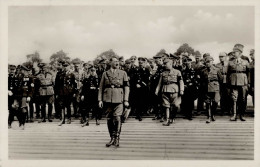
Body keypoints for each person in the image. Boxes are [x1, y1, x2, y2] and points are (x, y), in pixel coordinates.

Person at [98, 56, 130, 147]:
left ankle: (117, 138)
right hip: (107, 99)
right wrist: (100, 100)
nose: (117, 63)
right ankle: (111, 138)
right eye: (115, 61)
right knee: (109, 119)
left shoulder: (123, 73)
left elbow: (126, 87)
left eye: (118, 61)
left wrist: (126, 100)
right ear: (110, 63)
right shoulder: (105, 74)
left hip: (119, 99)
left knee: (117, 118)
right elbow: (101, 87)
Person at [155, 58, 184, 126]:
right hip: (165, 90)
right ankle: (167, 120)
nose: (164, 65)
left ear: (170, 64)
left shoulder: (177, 72)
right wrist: (157, 90)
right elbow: (159, 83)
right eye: (164, 63)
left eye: (166, 63)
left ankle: (172, 117)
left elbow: (181, 81)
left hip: (174, 90)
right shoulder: (163, 73)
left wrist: (182, 90)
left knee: (175, 105)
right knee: (166, 105)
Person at [227, 44, 250, 121]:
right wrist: (228, 84)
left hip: (243, 83)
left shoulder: (246, 62)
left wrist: (248, 83)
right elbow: (228, 74)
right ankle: (234, 115)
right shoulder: (230, 62)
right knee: (234, 99)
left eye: (235, 52)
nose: (233, 53)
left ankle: (242, 115)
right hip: (233, 82)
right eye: (233, 52)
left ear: (240, 53)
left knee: (243, 99)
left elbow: (248, 73)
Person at [200, 56, 222, 123]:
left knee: (215, 102)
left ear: (212, 62)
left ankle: (213, 114)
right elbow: (201, 80)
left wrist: (219, 88)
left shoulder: (217, 70)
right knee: (208, 102)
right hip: (206, 88)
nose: (208, 63)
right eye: (206, 62)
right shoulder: (203, 71)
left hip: (215, 88)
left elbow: (220, 79)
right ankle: (209, 116)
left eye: (209, 62)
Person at [55, 61, 77, 126]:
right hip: (61, 92)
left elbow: (74, 84)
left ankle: (69, 118)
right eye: (64, 66)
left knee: (68, 105)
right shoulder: (59, 74)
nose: (65, 67)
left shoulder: (71, 74)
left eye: (66, 66)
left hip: (69, 92)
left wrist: (74, 92)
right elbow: (56, 85)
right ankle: (63, 119)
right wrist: (56, 93)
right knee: (62, 106)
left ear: (69, 67)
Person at [12, 65, 34, 130]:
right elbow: (14, 86)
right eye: (20, 70)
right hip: (16, 95)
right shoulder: (16, 77)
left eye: (22, 70)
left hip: (24, 95)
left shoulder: (30, 78)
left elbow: (32, 88)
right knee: (14, 108)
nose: (21, 71)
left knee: (23, 110)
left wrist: (29, 96)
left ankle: (22, 124)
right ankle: (20, 121)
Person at [132, 57, 150, 121]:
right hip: (137, 88)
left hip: (143, 88)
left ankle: (141, 113)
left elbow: (147, 80)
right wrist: (136, 84)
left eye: (142, 63)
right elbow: (133, 79)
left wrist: (142, 84)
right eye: (139, 63)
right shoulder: (135, 70)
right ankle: (138, 114)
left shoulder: (146, 70)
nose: (140, 64)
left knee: (143, 101)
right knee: (137, 101)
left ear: (144, 63)